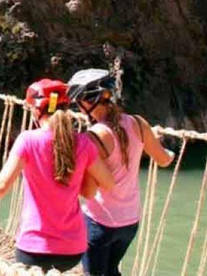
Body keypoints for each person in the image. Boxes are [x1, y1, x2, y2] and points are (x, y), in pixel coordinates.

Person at [0, 79, 115, 272]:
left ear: (37, 110)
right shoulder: (84, 143)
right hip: (72, 249)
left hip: (34, 247)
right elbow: (108, 183)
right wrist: (82, 171)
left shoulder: (27, 141)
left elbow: (2, 185)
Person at [67, 69, 176, 276]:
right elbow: (163, 160)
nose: (78, 108)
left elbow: (89, 192)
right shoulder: (138, 122)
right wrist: (168, 150)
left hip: (99, 223)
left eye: (78, 101)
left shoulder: (93, 137)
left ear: (88, 102)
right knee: (112, 270)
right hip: (130, 222)